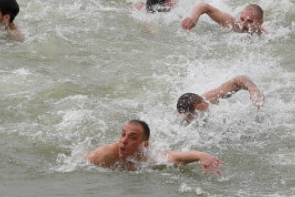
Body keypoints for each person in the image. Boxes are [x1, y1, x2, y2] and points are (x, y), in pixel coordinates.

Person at [84, 119, 224, 177]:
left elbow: (177, 158)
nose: (124, 141)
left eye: (132, 137)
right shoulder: (104, 155)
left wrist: (201, 155)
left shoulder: (148, 157)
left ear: (144, 144)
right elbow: (79, 165)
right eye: (123, 134)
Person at [176, 75, 265, 122]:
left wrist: (253, 89)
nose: (201, 113)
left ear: (202, 101)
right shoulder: (182, 118)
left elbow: (239, 79)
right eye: (196, 112)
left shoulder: (209, 98)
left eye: (201, 109)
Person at [181, 2, 265, 34]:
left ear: (260, 23)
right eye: (242, 19)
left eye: (249, 21)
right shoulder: (232, 24)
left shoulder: (265, 35)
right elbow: (204, 6)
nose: (243, 24)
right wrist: (193, 18)